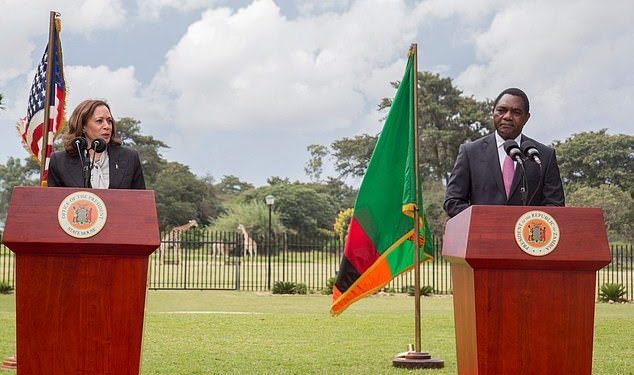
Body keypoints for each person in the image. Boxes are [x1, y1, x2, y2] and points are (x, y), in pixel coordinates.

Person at [443, 88, 564, 218]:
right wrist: (483, 220)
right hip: (482, 234)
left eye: (516, 112)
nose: (507, 117)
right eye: (501, 110)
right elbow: (453, 201)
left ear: (526, 118)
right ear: (493, 112)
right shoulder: (470, 152)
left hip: (527, 235)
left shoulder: (543, 156)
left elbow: (555, 204)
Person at [48, 99, 145, 189]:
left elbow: (140, 201)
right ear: (83, 126)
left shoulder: (130, 158)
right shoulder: (59, 161)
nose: (107, 126)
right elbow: (53, 203)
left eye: (109, 121)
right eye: (99, 121)